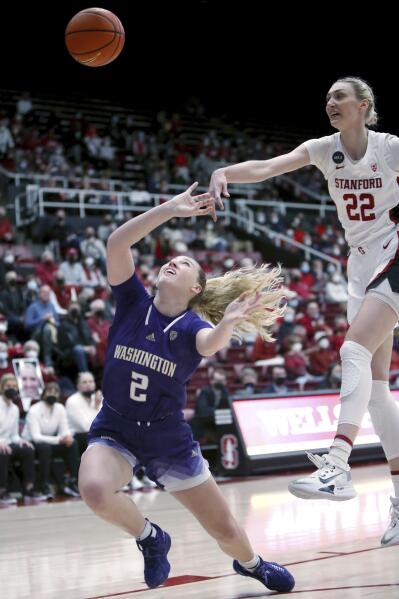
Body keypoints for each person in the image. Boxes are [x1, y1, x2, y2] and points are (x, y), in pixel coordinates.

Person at [209, 76, 399, 547]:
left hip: (395, 249)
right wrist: (226, 172)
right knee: (376, 391)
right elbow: (270, 166)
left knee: (352, 349)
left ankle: (337, 466)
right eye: (328, 97)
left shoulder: (390, 147)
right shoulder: (322, 148)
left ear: (364, 105)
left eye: (340, 97)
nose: (330, 102)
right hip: (360, 263)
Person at [78, 183, 294, 592]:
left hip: (166, 437)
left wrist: (227, 324)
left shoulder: (194, 327)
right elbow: (116, 241)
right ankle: (150, 538)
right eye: (171, 260)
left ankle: (252, 564)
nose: (173, 263)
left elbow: (209, 345)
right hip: (116, 427)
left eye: (184, 264)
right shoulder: (132, 302)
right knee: (93, 489)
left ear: (196, 288)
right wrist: (170, 210)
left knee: (224, 528)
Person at [22, 382, 80, 499]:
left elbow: (65, 429)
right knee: (45, 448)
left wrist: (67, 437)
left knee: (72, 444)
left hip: (50, 440)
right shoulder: (34, 410)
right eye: (49, 391)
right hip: (31, 443)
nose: (52, 394)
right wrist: (59, 439)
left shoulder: (60, 408)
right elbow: (36, 437)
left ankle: (73, 481)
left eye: (55, 392)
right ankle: (42, 485)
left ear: (59, 395)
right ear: (43, 394)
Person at [0, 374, 46, 503]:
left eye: (14, 386)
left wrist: (20, 440)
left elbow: (14, 434)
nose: (12, 388)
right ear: (1, 387)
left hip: (8, 443)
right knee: (2, 451)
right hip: (1, 445)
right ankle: (2, 491)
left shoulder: (15, 409)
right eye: (8, 386)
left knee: (27, 449)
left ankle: (29, 489)